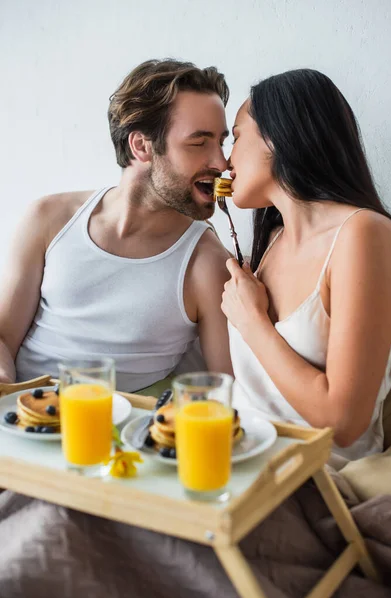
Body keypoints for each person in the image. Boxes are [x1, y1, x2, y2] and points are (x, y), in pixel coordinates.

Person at [0, 59, 233, 392]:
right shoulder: (48, 219)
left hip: (116, 434)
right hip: (20, 419)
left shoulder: (206, 262)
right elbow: (3, 336)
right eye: (199, 143)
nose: (221, 162)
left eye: (221, 142)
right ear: (141, 146)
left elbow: (226, 391)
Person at [222, 68, 391, 461]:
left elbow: (343, 422)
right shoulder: (267, 245)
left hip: (312, 480)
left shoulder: (364, 234)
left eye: (235, 137)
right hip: (238, 459)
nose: (225, 158)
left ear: (276, 136)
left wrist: (252, 322)